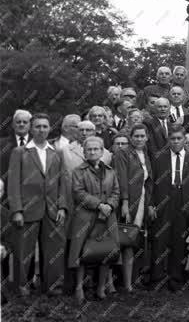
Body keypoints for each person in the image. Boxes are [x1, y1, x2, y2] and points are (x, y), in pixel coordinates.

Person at [8, 113, 67, 296]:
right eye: (37, 126)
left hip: (52, 209)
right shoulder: (20, 152)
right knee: (23, 251)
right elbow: (13, 183)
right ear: (31, 129)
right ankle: (21, 288)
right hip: (27, 209)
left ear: (50, 129)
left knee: (54, 251)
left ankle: (53, 287)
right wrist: (17, 210)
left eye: (45, 126)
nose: (41, 130)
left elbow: (62, 182)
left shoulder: (56, 153)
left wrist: (63, 206)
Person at [68, 136, 120, 303]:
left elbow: (116, 192)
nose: (92, 152)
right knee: (82, 252)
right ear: (84, 152)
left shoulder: (110, 170)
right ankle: (79, 288)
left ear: (102, 151)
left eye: (96, 149)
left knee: (105, 250)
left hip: (107, 216)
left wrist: (110, 205)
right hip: (86, 217)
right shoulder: (78, 171)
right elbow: (78, 193)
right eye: (89, 149)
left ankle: (101, 288)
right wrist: (99, 205)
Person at [151, 125, 189, 291]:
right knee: (160, 239)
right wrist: (152, 203)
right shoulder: (159, 157)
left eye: (179, 138)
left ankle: (176, 278)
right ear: (168, 140)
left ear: (185, 139)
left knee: (180, 240)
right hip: (164, 200)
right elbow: (152, 182)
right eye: (173, 139)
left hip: (185, 201)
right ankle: (157, 278)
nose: (176, 141)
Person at [113, 123, 154, 292]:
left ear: (147, 138)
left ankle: (130, 282)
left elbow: (149, 181)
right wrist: (124, 202)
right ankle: (113, 283)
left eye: (142, 136)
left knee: (133, 239)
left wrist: (150, 204)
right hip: (129, 201)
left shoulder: (145, 153)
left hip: (142, 200)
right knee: (121, 240)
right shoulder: (123, 153)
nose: (139, 139)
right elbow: (121, 179)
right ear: (131, 137)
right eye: (136, 136)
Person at [0, 110, 32, 183]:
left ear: (30, 125)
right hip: (5, 191)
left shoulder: (37, 144)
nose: (21, 124)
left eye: (25, 122)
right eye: (18, 122)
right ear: (13, 125)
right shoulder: (1, 144)